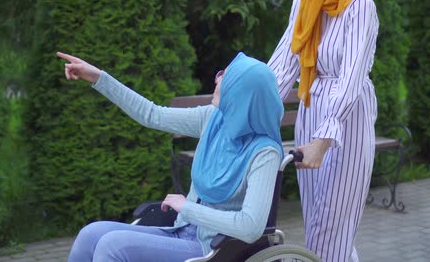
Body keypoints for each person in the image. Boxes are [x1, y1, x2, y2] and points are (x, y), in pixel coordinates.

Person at [58, 51, 284, 262]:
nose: (218, 78)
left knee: (112, 245)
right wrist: (98, 77)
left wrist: (187, 208)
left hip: (213, 248)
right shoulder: (214, 119)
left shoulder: (265, 153)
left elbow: (250, 227)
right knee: (89, 234)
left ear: (241, 95)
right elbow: (152, 114)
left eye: (227, 77)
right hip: (180, 229)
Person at [267, 0, 379, 261]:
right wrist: (242, 102)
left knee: (330, 233)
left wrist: (324, 138)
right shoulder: (304, 0)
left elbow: (351, 80)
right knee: (320, 227)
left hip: (346, 124)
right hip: (310, 111)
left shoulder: (360, 7)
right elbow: (283, 66)